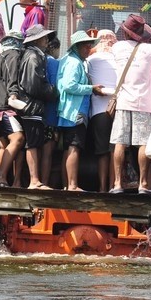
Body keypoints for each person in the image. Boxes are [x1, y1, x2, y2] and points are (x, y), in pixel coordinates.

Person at [110, 14, 151, 194]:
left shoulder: (117, 47)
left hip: (123, 101)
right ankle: (143, 184)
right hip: (143, 103)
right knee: (143, 144)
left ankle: (117, 184)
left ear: (125, 32)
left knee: (120, 143)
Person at [57, 31, 103, 191]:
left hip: (68, 111)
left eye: (90, 44)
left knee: (68, 148)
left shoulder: (69, 60)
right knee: (74, 146)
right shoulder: (75, 63)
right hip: (74, 111)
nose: (88, 47)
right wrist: (91, 88)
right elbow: (70, 85)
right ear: (76, 46)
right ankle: (72, 185)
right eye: (85, 44)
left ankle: (66, 184)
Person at [16, 25, 58, 189]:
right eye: (44, 37)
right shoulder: (33, 56)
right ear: (37, 39)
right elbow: (33, 85)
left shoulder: (33, 55)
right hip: (32, 107)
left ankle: (35, 180)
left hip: (31, 106)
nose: (47, 40)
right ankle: (34, 181)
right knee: (32, 144)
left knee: (34, 143)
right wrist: (53, 91)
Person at [0, 30, 26, 187]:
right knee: (18, 139)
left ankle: (6, 180)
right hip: (5, 106)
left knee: (4, 145)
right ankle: (1, 177)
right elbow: (12, 77)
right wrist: (14, 94)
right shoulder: (12, 55)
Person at [87, 30, 119, 192]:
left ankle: (101, 188)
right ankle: (115, 185)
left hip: (99, 111)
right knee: (116, 149)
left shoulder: (91, 59)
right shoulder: (119, 59)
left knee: (102, 151)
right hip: (118, 108)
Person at [41, 36, 61, 187]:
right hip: (50, 112)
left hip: (35, 112)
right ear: (54, 48)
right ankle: (45, 182)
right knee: (48, 150)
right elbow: (56, 87)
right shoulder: (54, 63)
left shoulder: (37, 59)